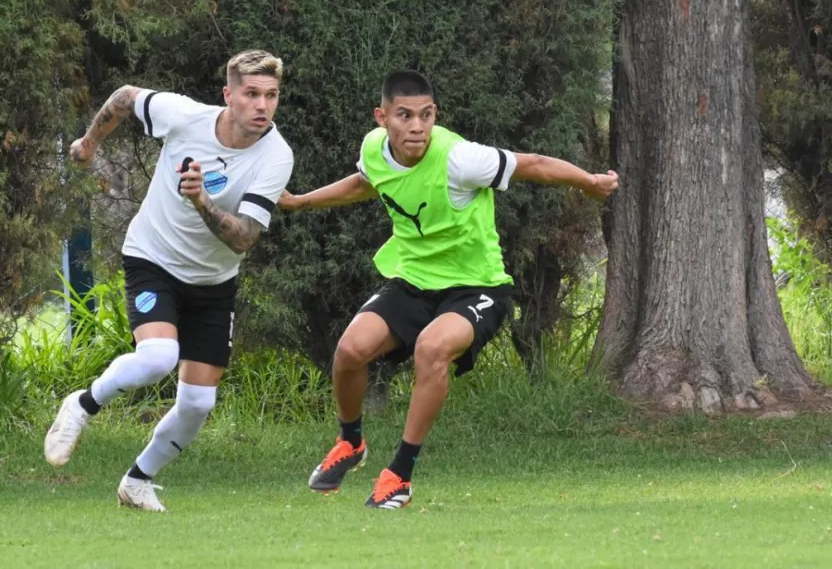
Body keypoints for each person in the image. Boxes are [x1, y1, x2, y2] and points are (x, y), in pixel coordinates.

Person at [280, 70, 618, 509]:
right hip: (414, 281)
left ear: (434, 115)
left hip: (477, 287)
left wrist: (588, 182)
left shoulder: (461, 159)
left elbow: (531, 163)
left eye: (425, 115)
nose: (417, 126)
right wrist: (301, 200)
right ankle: (351, 443)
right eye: (404, 116)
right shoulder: (373, 149)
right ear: (382, 118)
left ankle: (399, 474)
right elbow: (366, 183)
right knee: (349, 351)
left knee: (431, 349)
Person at [44, 50, 295, 513]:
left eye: (272, 95)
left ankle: (137, 482)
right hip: (152, 259)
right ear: (229, 95)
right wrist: (88, 143)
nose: (262, 105)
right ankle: (81, 405)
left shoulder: (276, 156)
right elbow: (123, 98)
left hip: (214, 282)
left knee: (198, 403)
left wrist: (202, 202)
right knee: (158, 356)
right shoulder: (184, 116)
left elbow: (243, 239)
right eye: (252, 94)